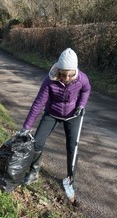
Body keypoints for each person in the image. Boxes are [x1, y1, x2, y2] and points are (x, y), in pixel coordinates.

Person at [18, 48, 91, 206]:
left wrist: (81, 105)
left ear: (75, 72)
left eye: (70, 75)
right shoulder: (50, 80)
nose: (66, 78)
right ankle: (34, 171)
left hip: (73, 115)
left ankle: (70, 179)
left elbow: (86, 89)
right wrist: (26, 126)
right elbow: (38, 103)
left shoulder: (81, 78)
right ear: (58, 70)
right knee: (37, 142)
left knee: (73, 147)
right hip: (52, 113)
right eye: (63, 74)